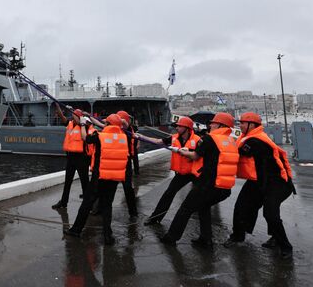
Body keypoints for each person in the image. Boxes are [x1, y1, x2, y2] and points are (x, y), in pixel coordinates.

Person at [159, 112, 239, 248]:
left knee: (185, 208)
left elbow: (195, 156)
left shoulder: (209, 139)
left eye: (213, 123)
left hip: (207, 185)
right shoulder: (231, 141)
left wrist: (180, 151)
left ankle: (171, 238)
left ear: (220, 125)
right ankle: (206, 239)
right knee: (203, 207)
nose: (210, 124)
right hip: (224, 188)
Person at [224, 112, 295, 259]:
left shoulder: (256, 141)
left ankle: (285, 246)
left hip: (278, 183)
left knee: (270, 213)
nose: (240, 125)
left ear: (252, 125)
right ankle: (238, 236)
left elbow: (237, 152)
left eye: (243, 123)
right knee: (241, 206)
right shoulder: (250, 138)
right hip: (259, 180)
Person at [64, 114, 129, 245]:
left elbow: (85, 138)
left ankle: (76, 230)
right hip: (114, 177)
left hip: (99, 177)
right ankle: (108, 236)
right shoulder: (124, 137)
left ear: (108, 124)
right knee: (107, 206)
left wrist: (82, 124)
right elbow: (112, 128)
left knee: (87, 204)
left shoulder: (99, 136)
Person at [137, 116, 201, 225]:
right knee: (168, 194)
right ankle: (155, 218)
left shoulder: (198, 140)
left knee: (199, 198)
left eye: (179, 126)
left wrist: (190, 150)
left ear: (187, 128)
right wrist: (142, 137)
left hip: (196, 173)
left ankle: (202, 223)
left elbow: (203, 154)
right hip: (182, 173)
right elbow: (158, 141)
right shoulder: (174, 138)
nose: (177, 128)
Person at [51, 105, 92, 209]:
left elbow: (90, 127)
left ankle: (88, 204)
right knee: (68, 181)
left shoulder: (85, 126)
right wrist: (57, 105)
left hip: (82, 157)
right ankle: (63, 202)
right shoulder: (69, 124)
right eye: (75, 116)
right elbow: (61, 116)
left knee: (85, 182)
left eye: (77, 116)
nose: (75, 118)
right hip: (71, 157)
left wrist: (86, 117)